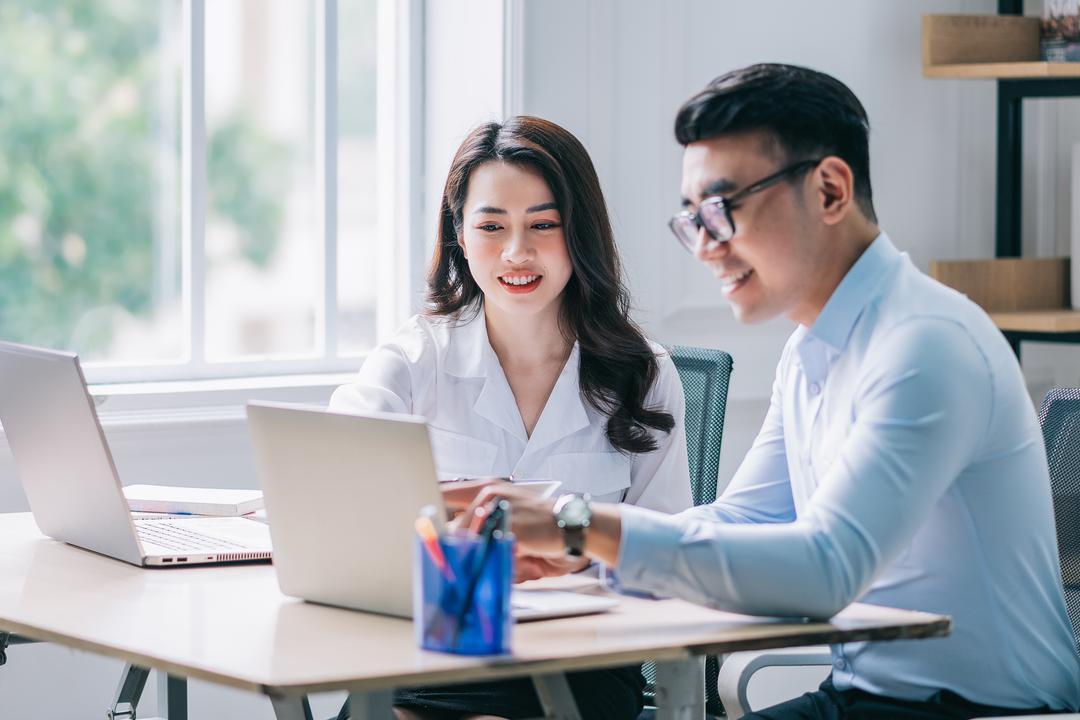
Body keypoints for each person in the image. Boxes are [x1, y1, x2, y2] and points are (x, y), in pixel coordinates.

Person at [470, 64, 1080, 719]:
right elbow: (740, 520)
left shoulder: (926, 345)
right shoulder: (812, 349)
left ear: (829, 190)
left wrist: (580, 523)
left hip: (985, 713)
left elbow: (824, 569)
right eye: (692, 219)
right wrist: (578, 551)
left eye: (722, 210)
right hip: (863, 697)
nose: (704, 246)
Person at [329, 115, 691, 720]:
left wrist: (576, 549)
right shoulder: (417, 358)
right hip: (442, 651)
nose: (517, 253)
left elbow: (674, 556)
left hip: (585, 658)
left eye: (543, 226)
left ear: (580, 235)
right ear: (460, 236)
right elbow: (336, 470)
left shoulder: (643, 374)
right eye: (492, 226)